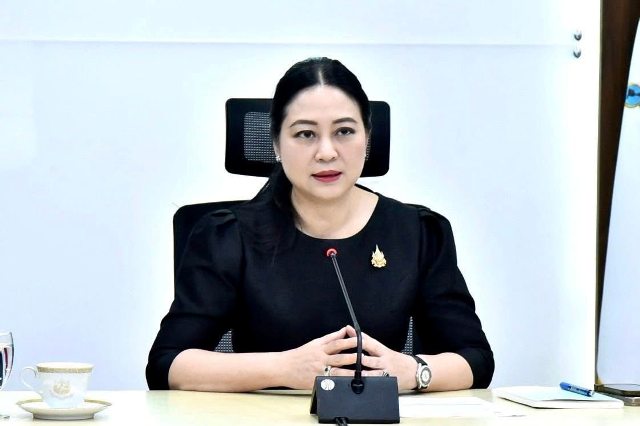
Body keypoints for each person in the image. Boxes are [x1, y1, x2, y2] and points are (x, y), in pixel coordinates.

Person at [146, 57, 494, 392]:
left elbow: (474, 359)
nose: (326, 152)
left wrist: (412, 371)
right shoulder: (229, 236)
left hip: (372, 419)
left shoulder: (417, 232)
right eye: (305, 134)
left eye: (344, 131)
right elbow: (168, 364)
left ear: (367, 136)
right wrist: (285, 368)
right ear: (276, 144)